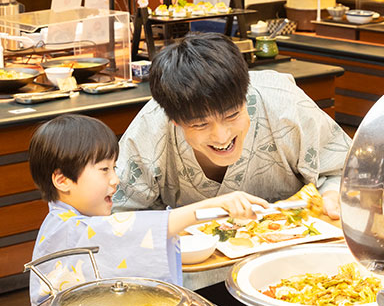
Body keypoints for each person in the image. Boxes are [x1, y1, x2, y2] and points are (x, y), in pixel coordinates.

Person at [27, 114, 270, 306]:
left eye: (114, 168)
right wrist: (216, 205)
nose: (115, 180)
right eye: (104, 170)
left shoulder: (68, 220)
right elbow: (130, 231)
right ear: (62, 181)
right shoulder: (68, 228)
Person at [114, 33, 352, 220]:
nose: (221, 136)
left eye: (232, 115)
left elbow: (346, 170)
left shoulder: (286, 105)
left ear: (245, 97)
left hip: (294, 254)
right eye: (200, 124)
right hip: (190, 265)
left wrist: (332, 196)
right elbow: (117, 215)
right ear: (175, 121)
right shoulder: (151, 127)